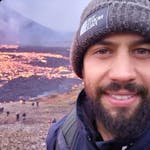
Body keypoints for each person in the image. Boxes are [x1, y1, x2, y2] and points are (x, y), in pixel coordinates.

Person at [46, 0, 150, 149]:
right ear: (82, 68)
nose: (123, 74)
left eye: (143, 51)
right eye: (103, 51)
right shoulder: (60, 138)